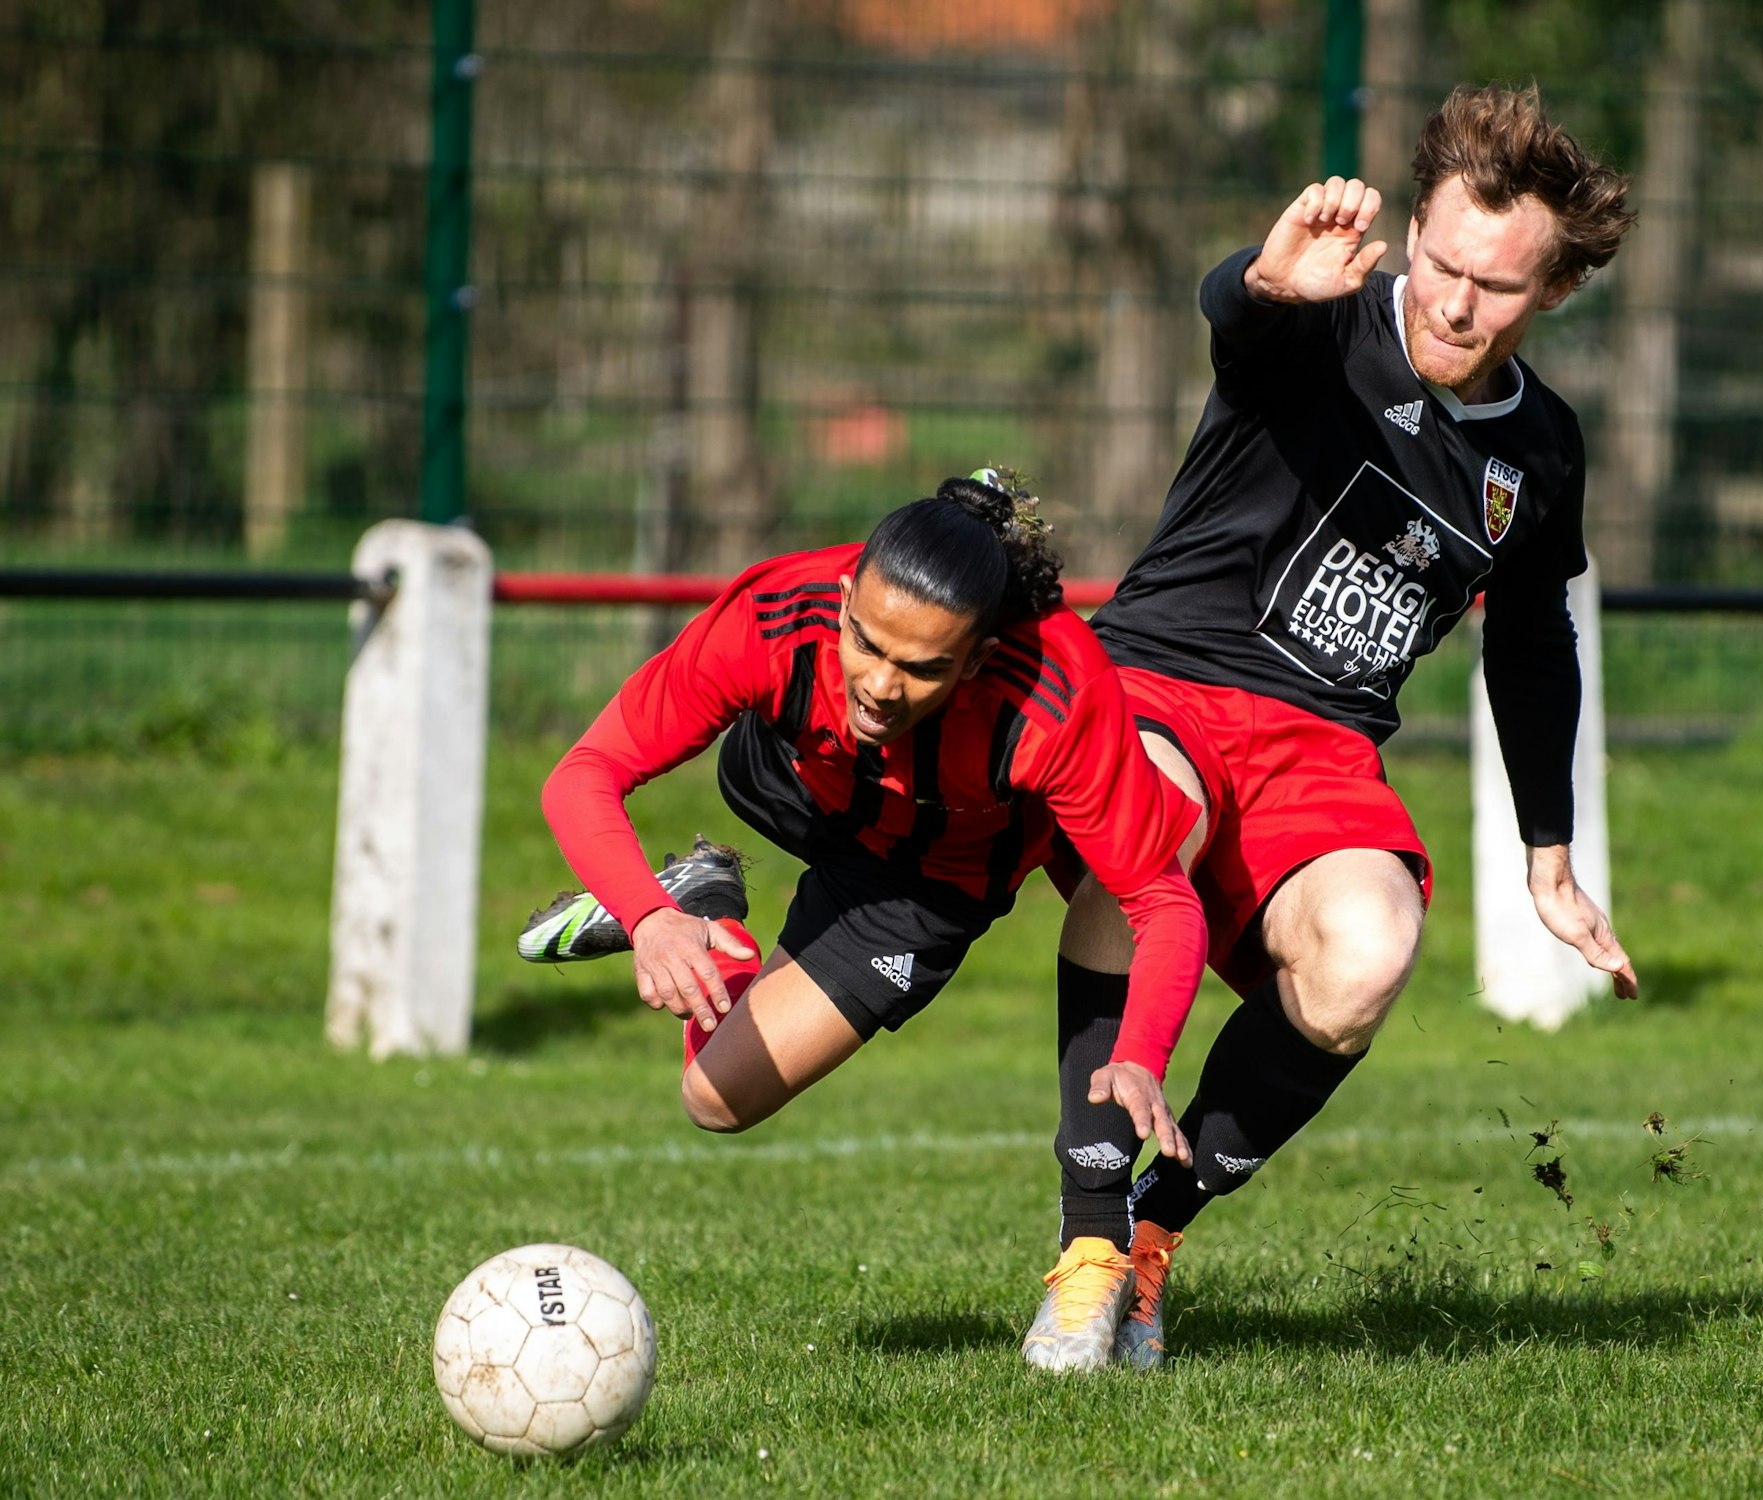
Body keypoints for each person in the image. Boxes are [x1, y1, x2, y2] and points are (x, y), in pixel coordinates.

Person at [1038, 84, 1643, 1371]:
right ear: (1412, 229)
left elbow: (1532, 637)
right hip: (1157, 683)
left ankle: (1151, 1235)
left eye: (1495, 284)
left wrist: (1549, 856)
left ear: (1551, 293)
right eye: (1437, 262)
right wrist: (1260, 283)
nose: (1453, 300)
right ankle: (1083, 1249)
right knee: (1139, 833)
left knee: (1368, 955)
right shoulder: (1318, 318)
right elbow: (1237, 331)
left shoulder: (1539, 448)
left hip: (1318, 750)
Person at [515, 470, 1208, 1369]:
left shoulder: (1054, 694)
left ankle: (713, 921)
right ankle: (675, 900)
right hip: (794, 792)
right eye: (866, 643)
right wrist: (643, 918)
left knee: (714, 1102)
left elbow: (1161, 901)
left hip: (925, 883)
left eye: (920, 668)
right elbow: (585, 772)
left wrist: (1141, 1052)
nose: (879, 685)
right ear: (844, 598)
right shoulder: (775, 614)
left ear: (979, 657)